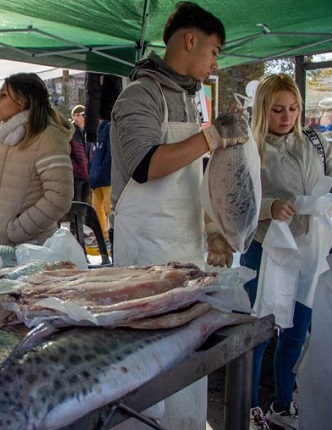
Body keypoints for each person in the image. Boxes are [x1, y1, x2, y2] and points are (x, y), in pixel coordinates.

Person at [110, 2, 247, 429]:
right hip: (145, 257)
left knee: (185, 374)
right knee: (148, 378)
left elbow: (190, 178)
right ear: (191, 40)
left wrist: (211, 228)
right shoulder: (140, 94)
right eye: (214, 50)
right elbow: (144, 165)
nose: (214, 62)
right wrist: (212, 136)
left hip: (185, 251)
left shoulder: (191, 98)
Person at [241, 73, 332, 430]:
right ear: (263, 110)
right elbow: (238, 198)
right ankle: (248, 406)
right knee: (261, 330)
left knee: (296, 331)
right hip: (266, 249)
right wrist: (269, 207)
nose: (287, 116)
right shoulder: (250, 147)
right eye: (278, 109)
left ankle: (282, 402)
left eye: (293, 108)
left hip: (308, 249)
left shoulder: (312, 142)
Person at [0, 73, 73, 246]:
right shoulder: (9, 137)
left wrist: (16, 230)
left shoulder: (49, 137)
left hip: (32, 248)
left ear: (22, 101)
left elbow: (59, 197)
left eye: (3, 95)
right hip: (1, 244)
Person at [89, 115, 112, 244]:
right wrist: (91, 172)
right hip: (95, 178)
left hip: (106, 179)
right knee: (96, 210)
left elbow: (111, 153)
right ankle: (101, 238)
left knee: (109, 209)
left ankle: (111, 235)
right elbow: (91, 155)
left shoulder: (108, 128)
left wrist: (102, 171)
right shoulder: (95, 131)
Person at [69, 105, 90, 203]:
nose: (76, 118)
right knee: (77, 203)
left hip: (88, 174)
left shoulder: (89, 132)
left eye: (78, 115)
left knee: (86, 204)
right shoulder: (71, 131)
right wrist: (76, 168)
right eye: (74, 115)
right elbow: (68, 153)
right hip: (76, 175)